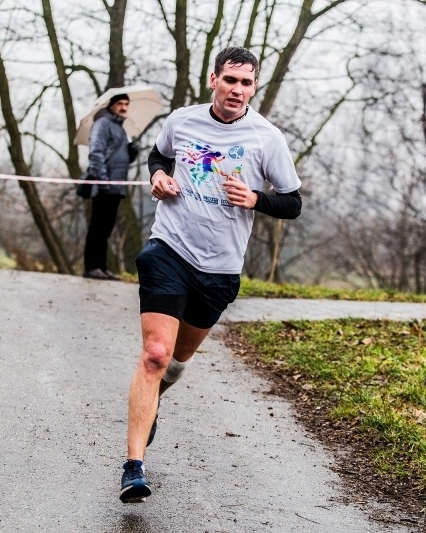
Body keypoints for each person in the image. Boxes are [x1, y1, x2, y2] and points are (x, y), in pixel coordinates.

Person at [119, 46, 302, 503]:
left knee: (176, 363)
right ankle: (134, 466)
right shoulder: (182, 121)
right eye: (230, 80)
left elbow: (293, 202)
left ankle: (154, 399)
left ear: (254, 87)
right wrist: (159, 178)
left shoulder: (266, 138)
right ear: (213, 80)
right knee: (155, 354)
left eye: (246, 83)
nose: (237, 90)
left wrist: (257, 199)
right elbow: (158, 158)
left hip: (219, 270)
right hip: (169, 249)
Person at [83, 93, 137, 280]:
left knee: (106, 228)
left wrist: (132, 153)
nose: (123, 107)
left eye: (126, 104)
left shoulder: (121, 129)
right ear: (112, 106)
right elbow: (96, 153)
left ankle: (102, 267)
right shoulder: (103, 124)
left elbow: (120, 158)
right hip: (104, 185)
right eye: (120, 104)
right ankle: (91, 267)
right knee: (97, 227)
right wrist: (103, 180)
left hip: (116, 187)